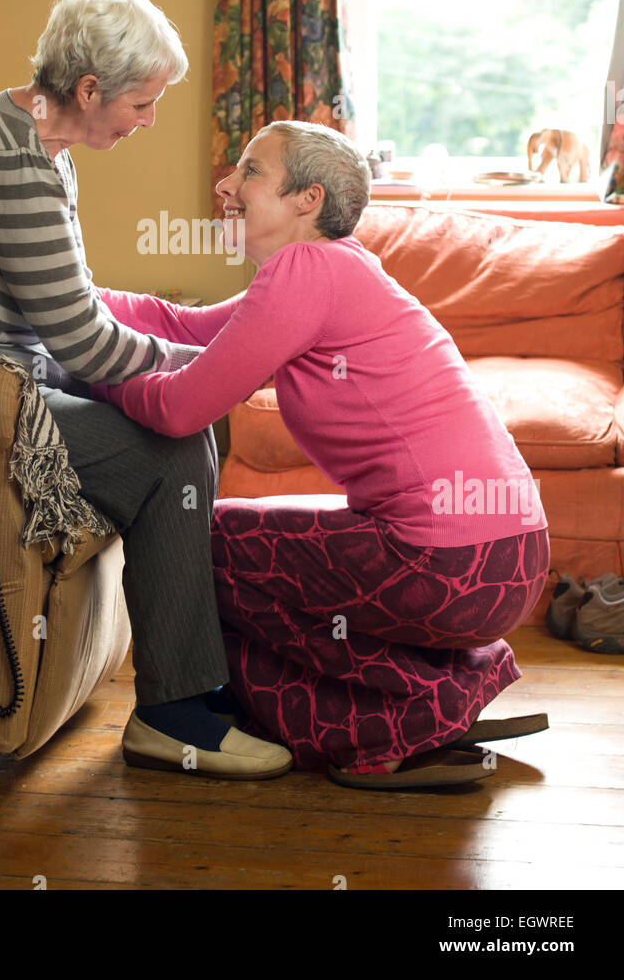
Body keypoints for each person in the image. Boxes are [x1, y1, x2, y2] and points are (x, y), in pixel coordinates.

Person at [0, 0, 292, 781]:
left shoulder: (39, 143)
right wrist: (205, 372)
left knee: (179, 430)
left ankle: (188, 695)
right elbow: (80, 337)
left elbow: (68, 312)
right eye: (142, 100)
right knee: (169, 451)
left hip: (9, 379)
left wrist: (180, 361)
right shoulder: (13, 157)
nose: (149, 119)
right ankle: (175, 714)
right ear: (89, 90)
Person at [90, 120, 551, 789]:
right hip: (504, 557)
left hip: (449, 566)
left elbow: (181, 408)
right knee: (234, 527)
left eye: (249, 171)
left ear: (306, 198)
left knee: (201, 540)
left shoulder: (306, 272)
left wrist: (95, 376)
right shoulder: (332, 269)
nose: (225, 184)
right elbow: (178, 326)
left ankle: (403, 717)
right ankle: (419, 706)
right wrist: (70, 298)